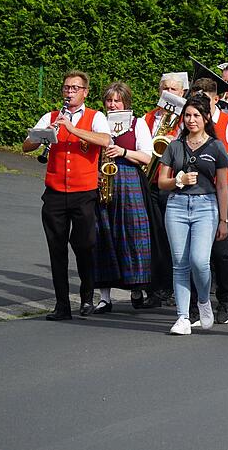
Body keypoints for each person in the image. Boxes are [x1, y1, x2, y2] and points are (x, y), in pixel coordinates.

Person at [22, 70, 111, 320]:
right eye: (66, 88)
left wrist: (72, 129)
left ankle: (86, 295)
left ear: (85, 92)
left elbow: (104, 140)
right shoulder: (50, 116)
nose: (69, 92)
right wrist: (42, 136)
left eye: (74, 88)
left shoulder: (96, 117)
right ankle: (62, 305)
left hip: (84, 192)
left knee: (84, 245)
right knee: (56, 248)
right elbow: (26, 144)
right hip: (55, 192)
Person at [158, 94, 228, 335]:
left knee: (200, 261)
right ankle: (182, 317)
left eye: (196, 115)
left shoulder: (216, 147)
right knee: (180, 263)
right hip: (177, 205)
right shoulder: (174, 146)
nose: (191, 120)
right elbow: (161, 182)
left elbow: (222, 185)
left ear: (206, 118)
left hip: (205, 206)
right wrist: (177, 180)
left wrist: (223, 219)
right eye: (187, 115)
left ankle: (203, 301)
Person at [188, 73, 228, 324]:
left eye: (205, 100)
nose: (200, 106)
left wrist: (217, 153)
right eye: (196, 99)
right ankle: (195, 304)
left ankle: (226, 297)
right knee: (193, 252)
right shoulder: (189, 123)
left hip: (224, 191)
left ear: (216, 99)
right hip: (194, 191)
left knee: (222, 251)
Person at [91, 82, 154, 312]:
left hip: (129, 181)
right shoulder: (98, 122)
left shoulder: (137, 124)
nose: (113, 104)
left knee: (133, 234)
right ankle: (104, 297)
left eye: (117, 100)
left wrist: (123, 151)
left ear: (126, 102)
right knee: (103, 235)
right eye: (109, 100)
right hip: (103, 180)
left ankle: (136, 287)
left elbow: (147, 157)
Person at [138, 73, 186, 309]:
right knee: (152, 237)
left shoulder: (186, 119)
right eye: (165, 88)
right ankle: (154, 288)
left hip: (173, 184)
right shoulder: (147, 118)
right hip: (149, 182)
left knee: (171, 239)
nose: (168, 93)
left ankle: (173, 288)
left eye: (174, 90)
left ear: (182, 93)